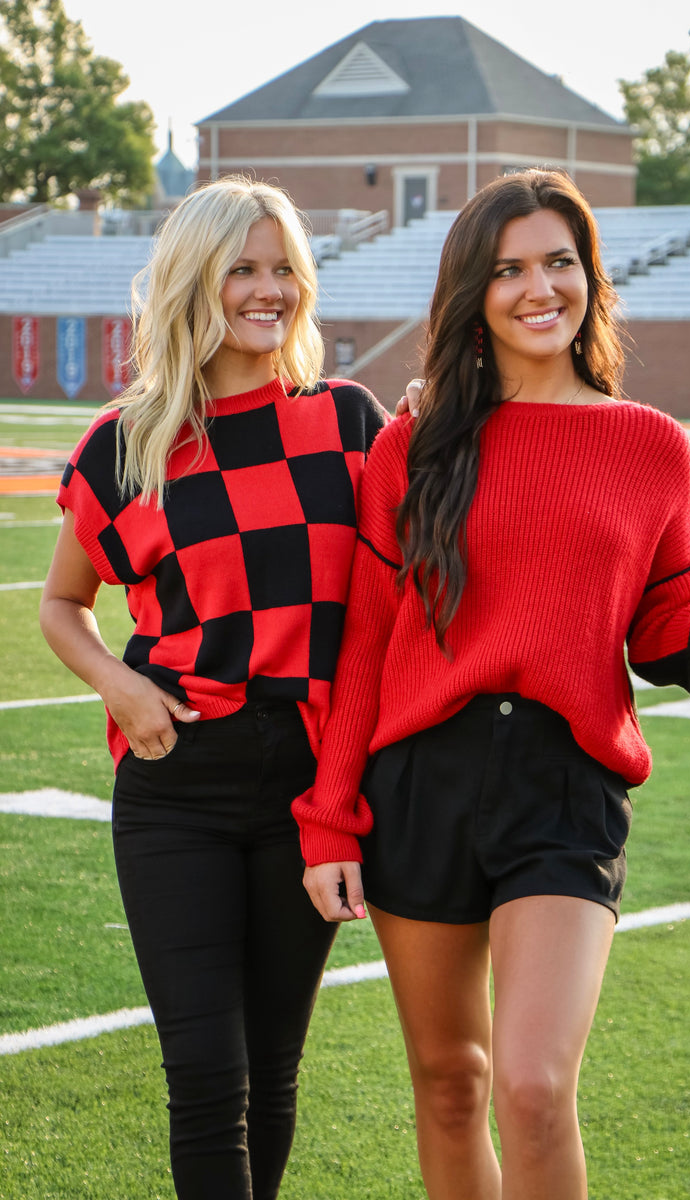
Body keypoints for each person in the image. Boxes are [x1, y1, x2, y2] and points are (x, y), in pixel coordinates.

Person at [293, 168, 690, 1200]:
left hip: (563, 789)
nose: (538, 287)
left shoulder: (648, 445)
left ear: (589, 278)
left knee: (528, 1085)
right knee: (448, 1083)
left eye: (558, 262)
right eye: (508, 268)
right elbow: (369, 642)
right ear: (471, 293)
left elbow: (666, 613)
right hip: (420, 785)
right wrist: (330, 819)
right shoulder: (416, 442)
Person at [39, 175, 388, 1200]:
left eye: (284, 267)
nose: (267, 288)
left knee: (270, 1072)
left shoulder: (348, 422)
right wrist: (120, 688)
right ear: (197, 278)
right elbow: (62, 606)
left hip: (309, 790)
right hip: (176, 781)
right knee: (204, 1073)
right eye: (242, 267)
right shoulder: (127, 443)